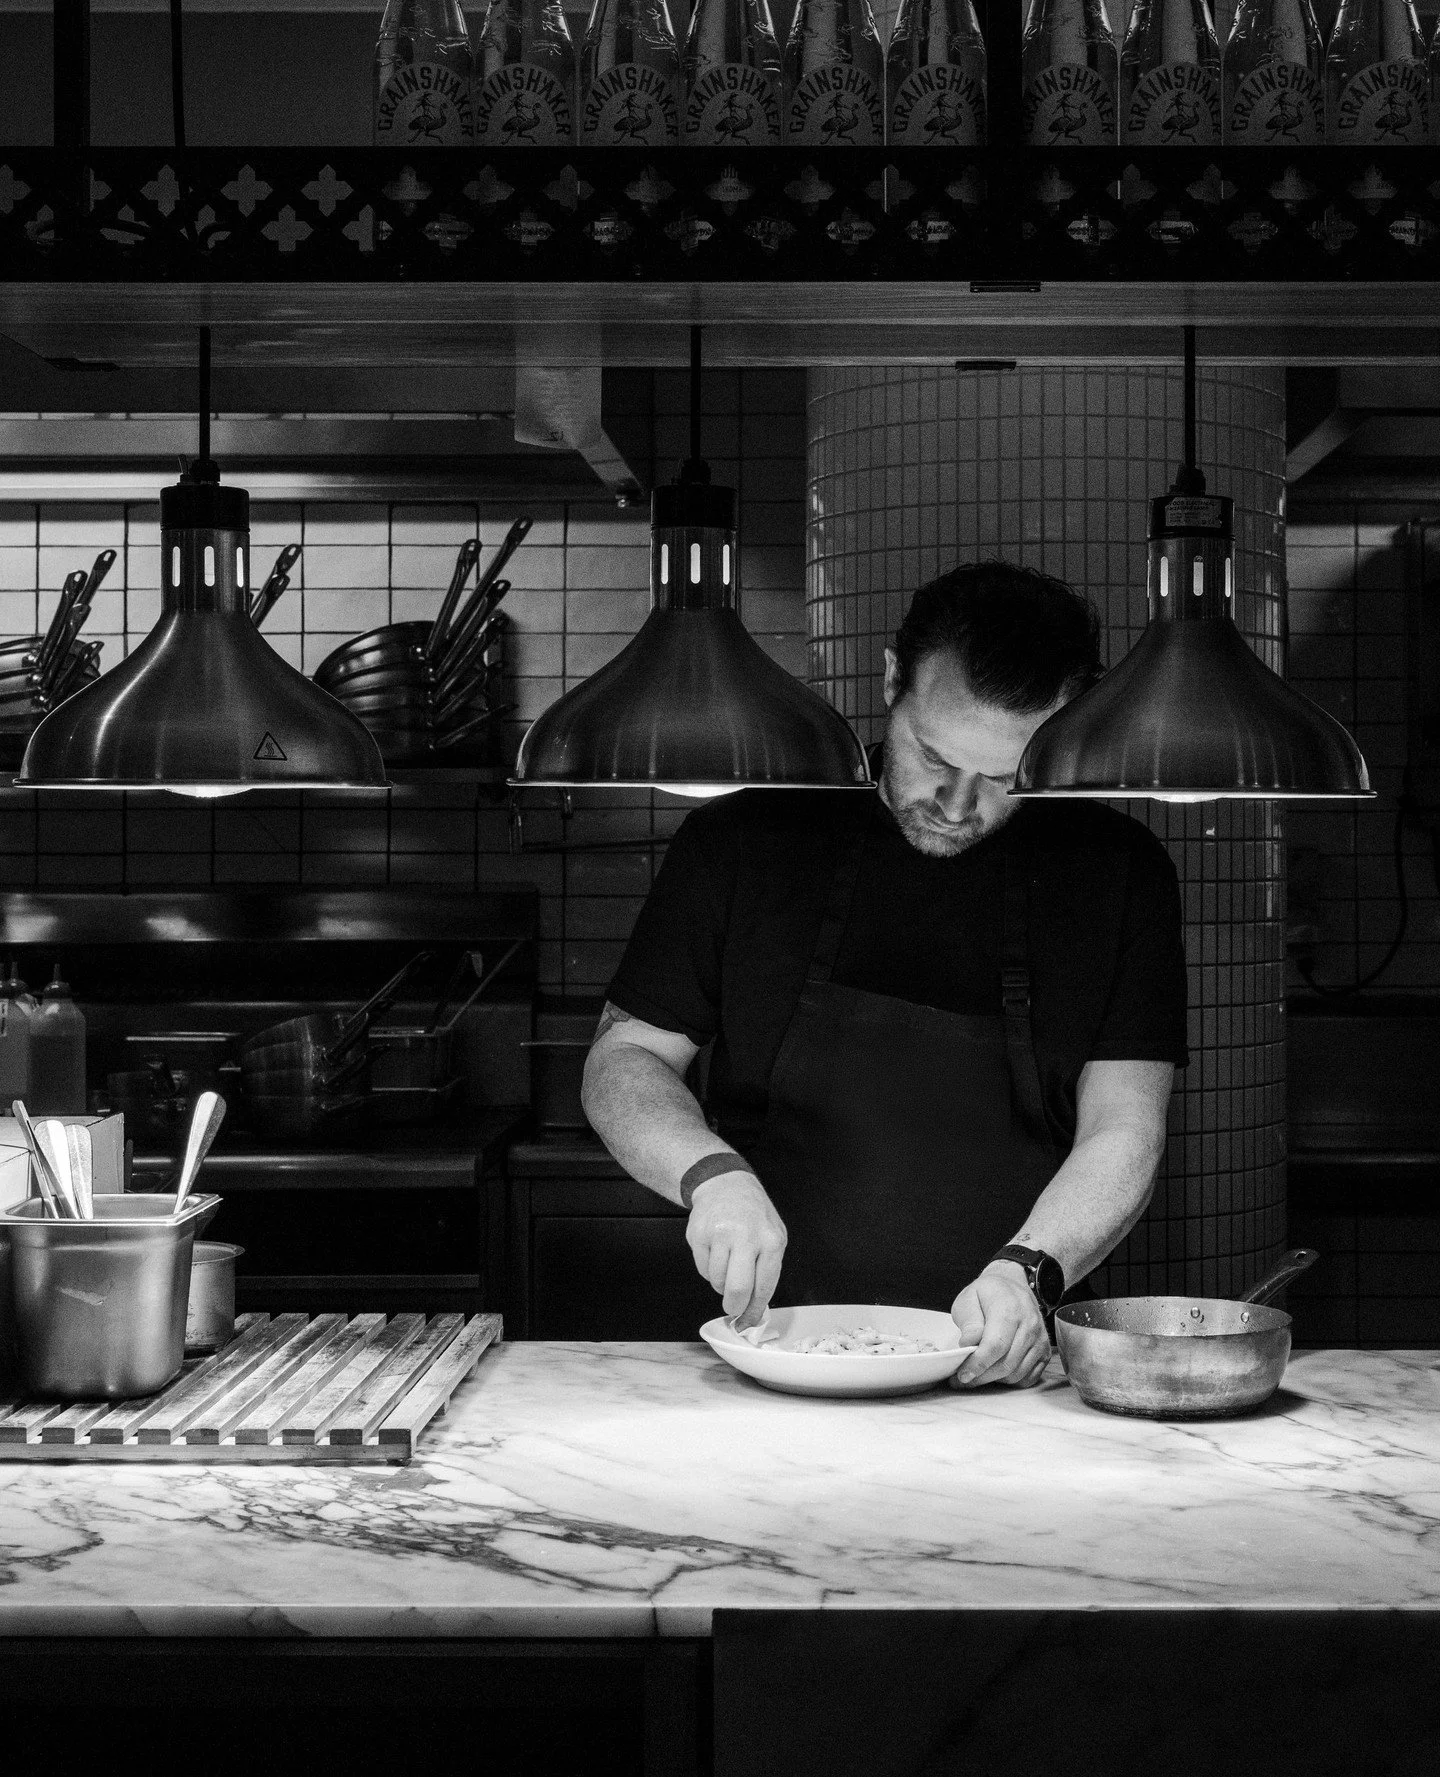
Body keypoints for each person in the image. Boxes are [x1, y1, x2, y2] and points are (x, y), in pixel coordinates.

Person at [582, 561, 1188, 1387]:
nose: (958, 802)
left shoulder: (1121, 875)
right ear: (891, 679)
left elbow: (1126, 1127)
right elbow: (624, 1060)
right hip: (766, 1353)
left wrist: (1031, 1269)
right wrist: (709, 1174)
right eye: (933, 755)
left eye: (1004, 778)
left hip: (1000, 1369)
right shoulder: (745, 840)